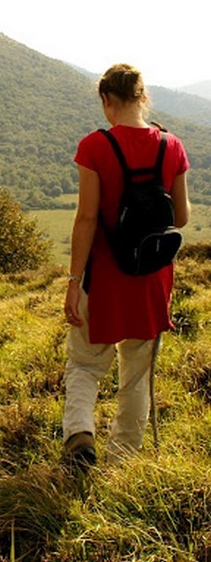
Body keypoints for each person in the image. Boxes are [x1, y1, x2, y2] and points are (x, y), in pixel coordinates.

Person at [62, 63, 190, 468]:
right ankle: (123, 462)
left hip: (104, 280)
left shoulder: (95, 147)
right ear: (143, 97)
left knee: (84, 363)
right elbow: (181, 217)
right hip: (152, 280)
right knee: (136, 376)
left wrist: (72, 280)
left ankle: (81, 433)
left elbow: (86, 218)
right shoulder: (172, 146)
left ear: (107, 100)